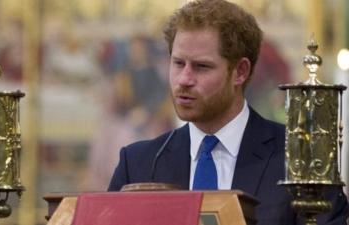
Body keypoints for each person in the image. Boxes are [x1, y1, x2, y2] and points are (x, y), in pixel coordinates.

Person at [107, 0, 349, 224]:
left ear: (240, 71)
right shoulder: (139, 164)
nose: (184, 79)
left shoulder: (300, 161)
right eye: (178, 63)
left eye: (201, 67)